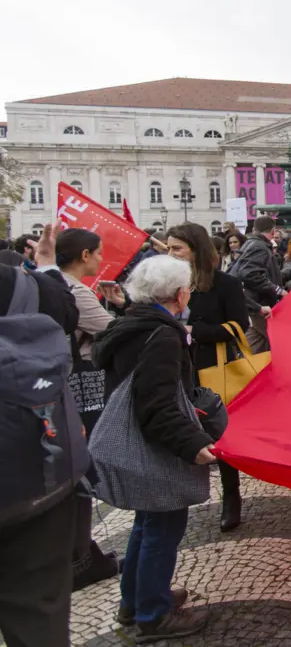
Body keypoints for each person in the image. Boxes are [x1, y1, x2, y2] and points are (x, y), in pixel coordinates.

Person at [91, 256, 216, 642]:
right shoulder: (163, 334)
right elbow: (158, 403)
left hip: (136, 440)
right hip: (154, 446)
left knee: (145, 526)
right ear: (180, 294)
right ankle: (153, 615)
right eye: (189, 289)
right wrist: (194, 445)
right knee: (162, 528)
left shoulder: (130, 324)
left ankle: (136, 600)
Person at [0, 224, 82, 647]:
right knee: (37, 611)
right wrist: (48, 268)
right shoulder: (17, 282)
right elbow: (65, 314)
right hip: (32, 479)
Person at [165, 222, 251, 532]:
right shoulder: (163, 282)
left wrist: (194, 331)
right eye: (169, 247)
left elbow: (239, 325)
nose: (171, 253)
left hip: (211, 366)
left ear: (196, 250)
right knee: (178, 427)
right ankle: (176, 495)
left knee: (218, 430)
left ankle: (231, 496)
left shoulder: (224, 284)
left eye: (178, 248)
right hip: (172, 366)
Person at [54, 230, 128, 590]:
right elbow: (110, 331)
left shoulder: (51, 282)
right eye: (98, 253)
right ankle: (81, 561)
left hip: (62, 388)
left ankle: (81, 556)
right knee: (83, 471)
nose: (101, 259)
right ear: (84, 255)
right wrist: (124, 307)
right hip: (80, 385)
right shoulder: (74, 290)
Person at [228, 216, 285, 354]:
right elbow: (250, 274)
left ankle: (241, 369)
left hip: (252, 303)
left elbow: (268, 275)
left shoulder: (251, 243)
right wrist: (278, 290)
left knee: (253, 344)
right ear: (273, 231)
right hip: (259, 303)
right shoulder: (260, 247)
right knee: (282, 343)